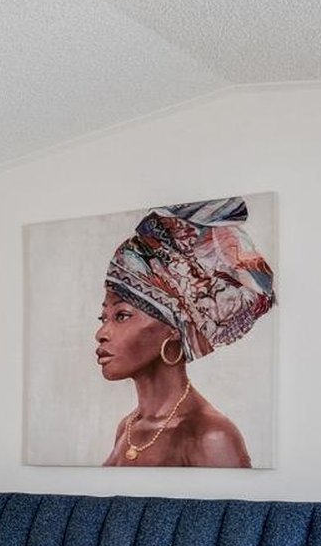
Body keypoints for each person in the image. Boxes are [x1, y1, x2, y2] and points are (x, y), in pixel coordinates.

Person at [95, 199, 276, 468]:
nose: (101, 333)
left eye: (122, 316)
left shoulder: (211, 437)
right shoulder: (129, 428)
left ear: (174, 326)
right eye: (103, 317)